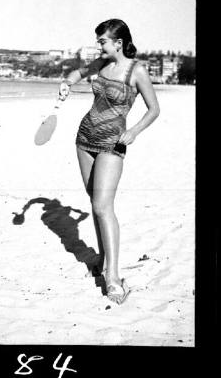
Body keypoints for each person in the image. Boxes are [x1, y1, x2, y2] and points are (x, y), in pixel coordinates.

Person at [59, 19, 160, 304]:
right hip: (84, 138)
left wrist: (134, 131)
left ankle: (113, 277)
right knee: (94, 202)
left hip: (112, 143)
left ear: (118, 42)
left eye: (102, 41)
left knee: (103, 207)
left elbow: (154, 109)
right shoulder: (100, 64)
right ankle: (103, 257)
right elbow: (76, 73)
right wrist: (67, 84)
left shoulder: (136, 70)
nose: (98, 46)